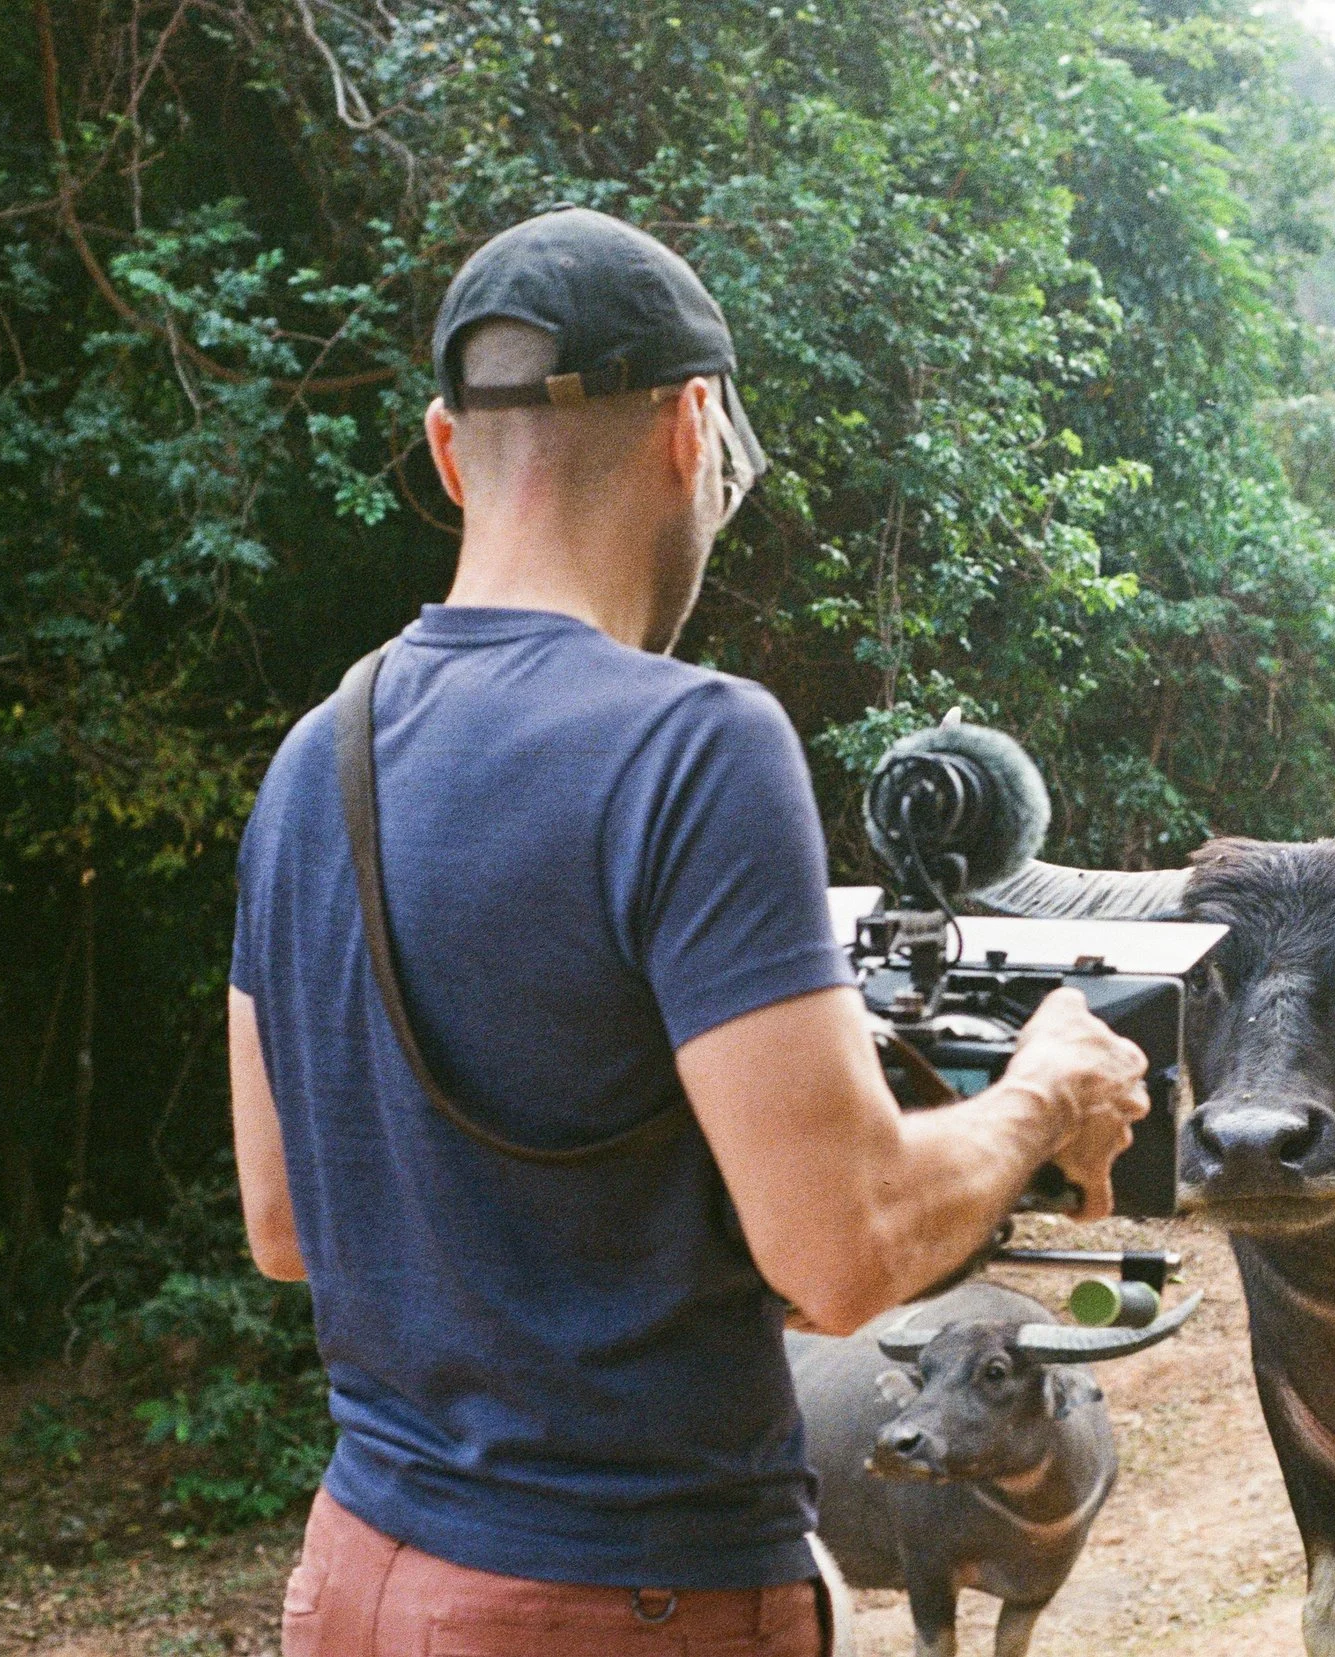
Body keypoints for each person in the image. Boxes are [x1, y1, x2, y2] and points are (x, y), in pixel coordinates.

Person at [226, 208, 1151, 1657]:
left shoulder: (311, 760)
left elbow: (287, 1228)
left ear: (451, 448)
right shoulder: (695, 746)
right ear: (696, 429)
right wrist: (1039, 1100)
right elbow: (845, 1255)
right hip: (623, 1601)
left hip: (357, 1577)